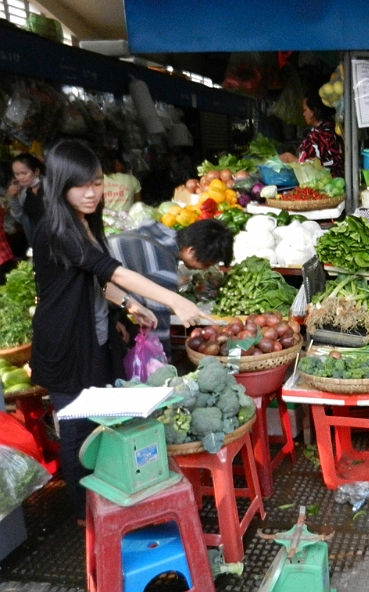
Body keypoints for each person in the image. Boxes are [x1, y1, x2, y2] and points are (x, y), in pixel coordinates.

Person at [29, 139, 209, 521]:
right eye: (81, 185)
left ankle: (103, 495)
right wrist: (174, 301)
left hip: (94, 338)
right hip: (64, 343)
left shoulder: (83, 222)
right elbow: (114, 271)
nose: (92, 193)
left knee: (99, 422)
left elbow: (98, 278)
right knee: (76, 428)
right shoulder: (56, 228)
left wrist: (129, 305)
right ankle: (84, 512)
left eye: (96, 183)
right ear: (60, 185)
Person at [107, 218, 234, 359]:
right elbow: (158, 325)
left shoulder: (160, 230)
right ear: (191, 251)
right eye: (207, 264)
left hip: (107, 294)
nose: (206, 269)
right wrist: (163, 363)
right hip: (90, 300)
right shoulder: (162, 269)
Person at [279, 94, 344, 178]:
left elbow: (305, 165)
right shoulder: (332, 128)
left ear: (315, 111)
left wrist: (289, 157)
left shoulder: (318, 135)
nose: (303, 114)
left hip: (326, 181)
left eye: (305, 110)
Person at [7, 153, 45, 247]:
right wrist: (13, 198)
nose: (20, 177)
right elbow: (20, 218)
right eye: (17, 174)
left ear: (36, 171)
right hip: (38, 242)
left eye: (24, 173)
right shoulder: (24, 193)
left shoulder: (49, 187)